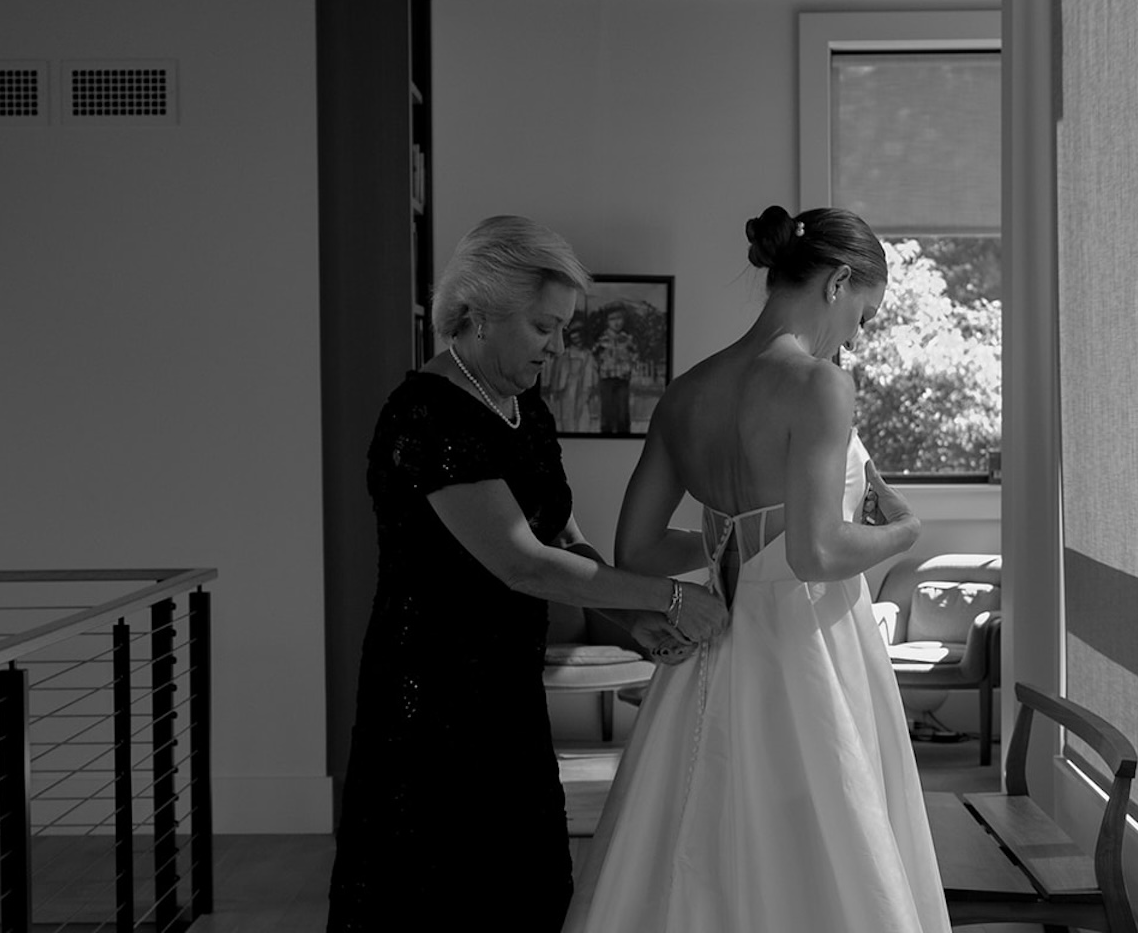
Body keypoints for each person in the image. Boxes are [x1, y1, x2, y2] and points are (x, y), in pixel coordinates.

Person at [325, 215, 727, 933]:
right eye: (546, 326)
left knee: (528, 889)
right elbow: (521, 561)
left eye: (565, 327)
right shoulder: (424, 415)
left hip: (505, 687)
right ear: (478, 315)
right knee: (433, 898)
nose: (560, 346)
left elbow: (563, 536)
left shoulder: (521, 406)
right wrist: (669, 593)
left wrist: (633, 621)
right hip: (430, 696)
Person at [563, 204, 950, 933]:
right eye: (865, 316)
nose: (856, 337)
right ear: (838, 282)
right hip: (811, 648)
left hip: (715, 644)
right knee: (825, 838)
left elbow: (638, 551)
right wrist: (904, 530)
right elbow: (816, 553)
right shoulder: (819, 386)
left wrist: (724, 549)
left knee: (699, 833)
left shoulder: (685, 393)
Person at [544, 313, 601, 432]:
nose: (577, 337)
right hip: (567, 387)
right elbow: (557, 373)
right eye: (574, 334)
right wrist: (554, 389)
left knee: (582, 412)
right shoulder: (565, 354)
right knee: (567, 412)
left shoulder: (588, 354)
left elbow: (592, 374)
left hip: (583, 387)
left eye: (580, 334)